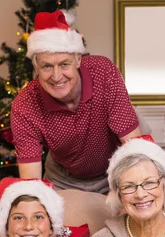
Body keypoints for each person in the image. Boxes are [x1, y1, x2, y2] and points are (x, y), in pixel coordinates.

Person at [11, 10, 143, 193]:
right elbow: (30, 182)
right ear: (36, 66)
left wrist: (133, 189)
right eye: (47, 66)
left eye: (64, 64)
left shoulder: (103, 72)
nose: (56, 77)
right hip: (63, 178)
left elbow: (134, 146)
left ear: (78, 59)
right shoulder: (24, 105)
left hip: (115, 167)